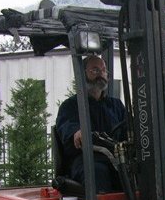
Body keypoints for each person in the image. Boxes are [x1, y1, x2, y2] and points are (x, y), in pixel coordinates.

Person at [54, 55, 127, 192]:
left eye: (103, 70)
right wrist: (77, 132)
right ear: (82, 74)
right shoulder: (71, 105)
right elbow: (67, 126)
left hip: (115, 158)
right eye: (95, 70)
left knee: (137, 170)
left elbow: (128, 129)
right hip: (86, 159)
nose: (101, 74)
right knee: (97, 171)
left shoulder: (116, 105)